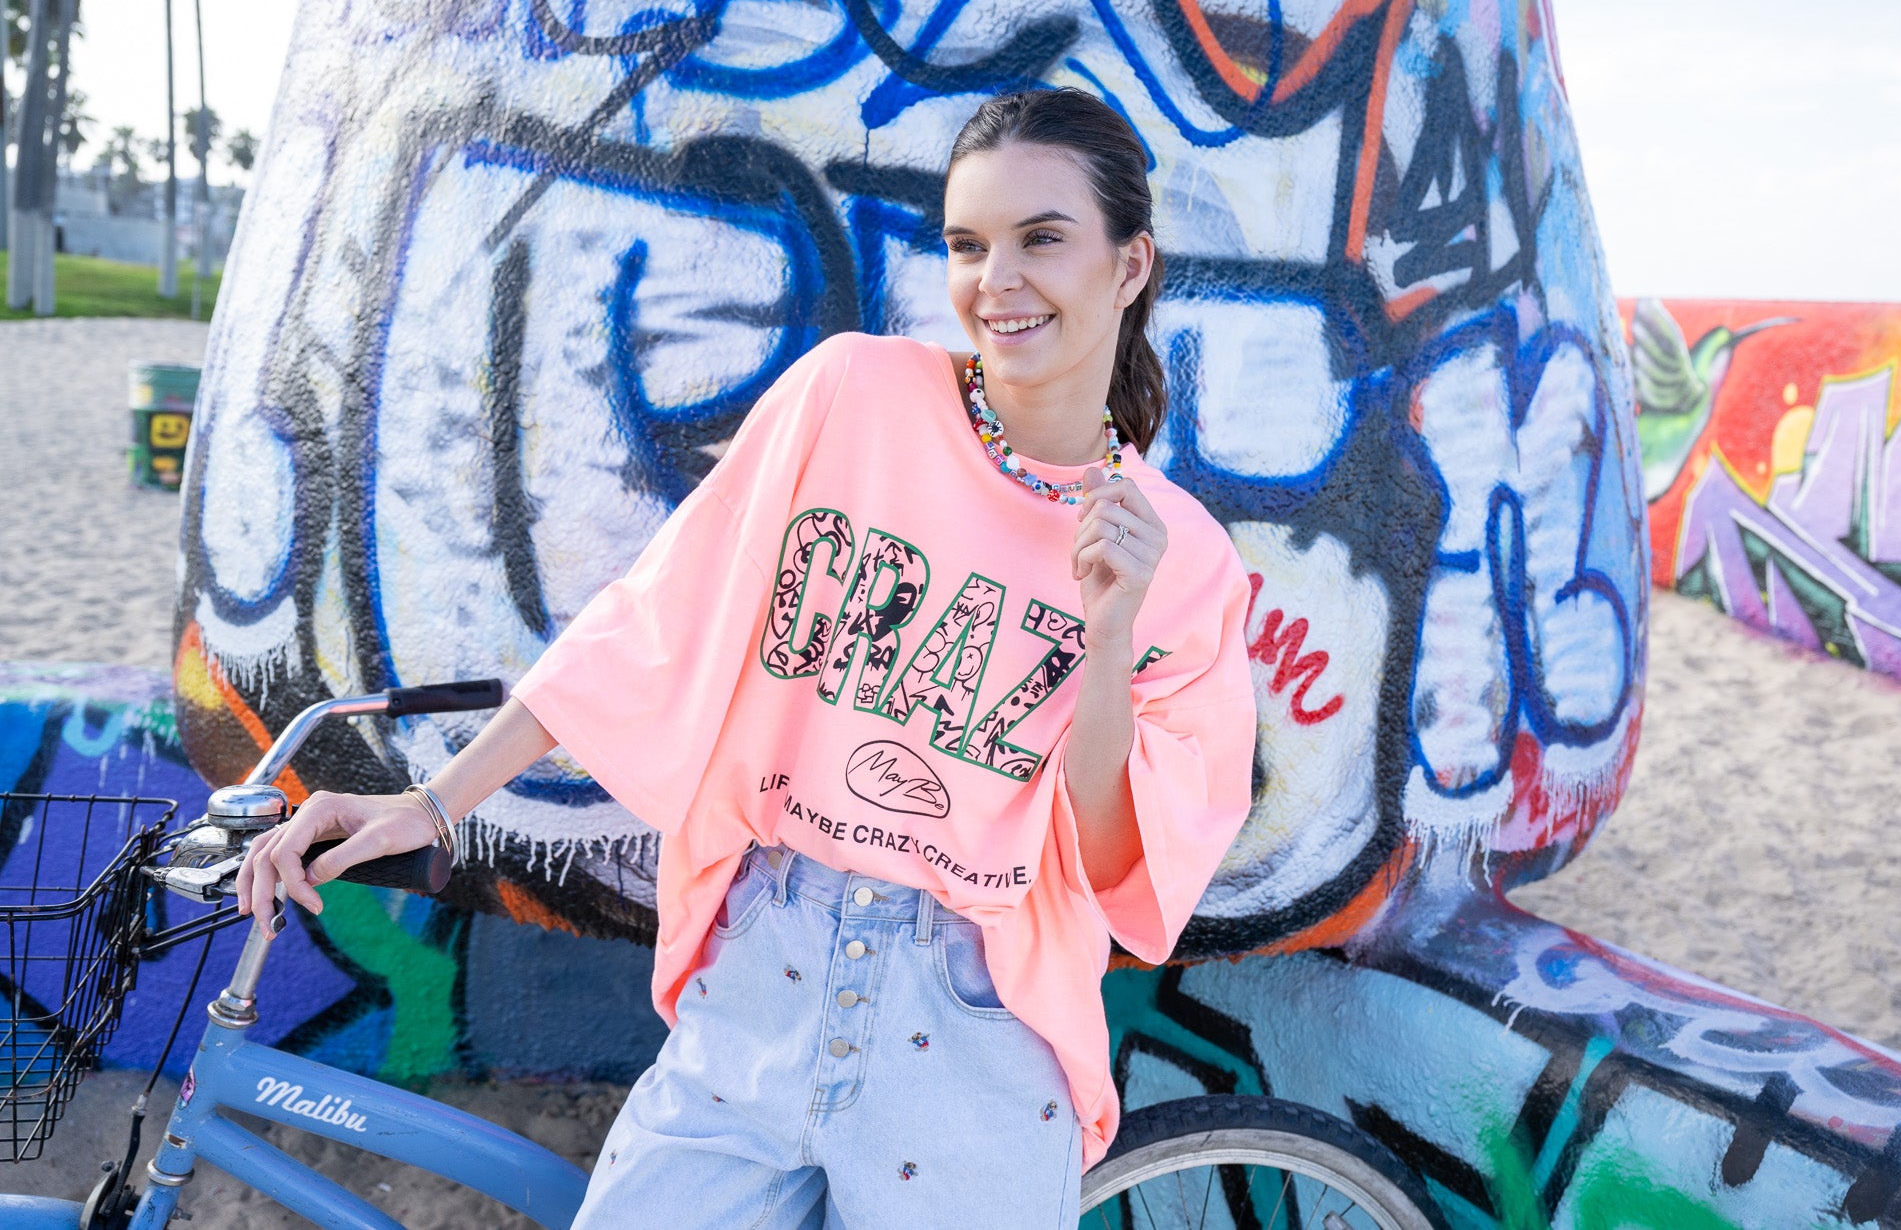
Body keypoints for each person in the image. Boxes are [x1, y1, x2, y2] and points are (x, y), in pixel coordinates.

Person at [236, 87, 1256, 1226]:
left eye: (1042, 239)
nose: (996, 280)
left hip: (979, 1033)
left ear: (1129, 266)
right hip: (767, 967)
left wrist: (1108, 636)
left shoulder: (1182, 561)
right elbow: (653, 620)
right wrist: (432, 804)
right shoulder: (855, 395)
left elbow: (1116, 860)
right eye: (968, 244)